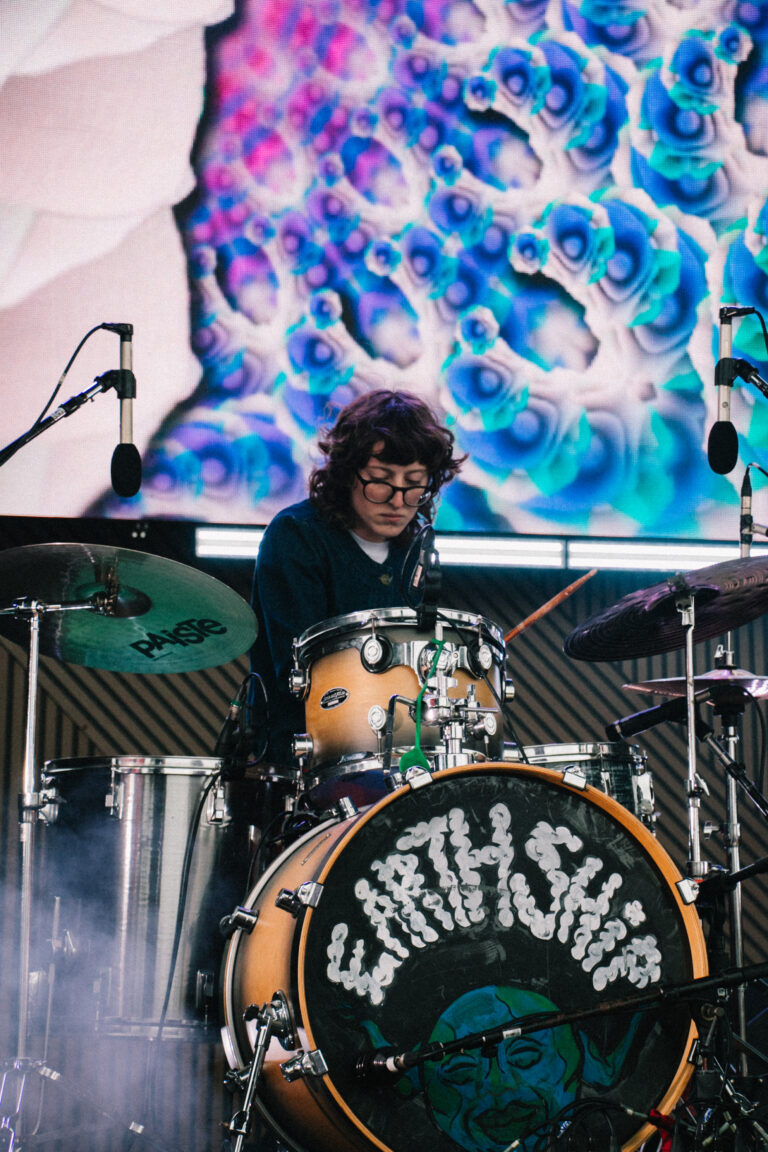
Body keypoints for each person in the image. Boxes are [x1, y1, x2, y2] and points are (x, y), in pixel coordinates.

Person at [250, 388, 463, 770]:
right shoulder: (296, 535)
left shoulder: (416, 548)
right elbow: (301, 674)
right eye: (381, 480)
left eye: (415, 483)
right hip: (303, 762)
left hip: (398, 757)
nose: (398, 500)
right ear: (348, 473)